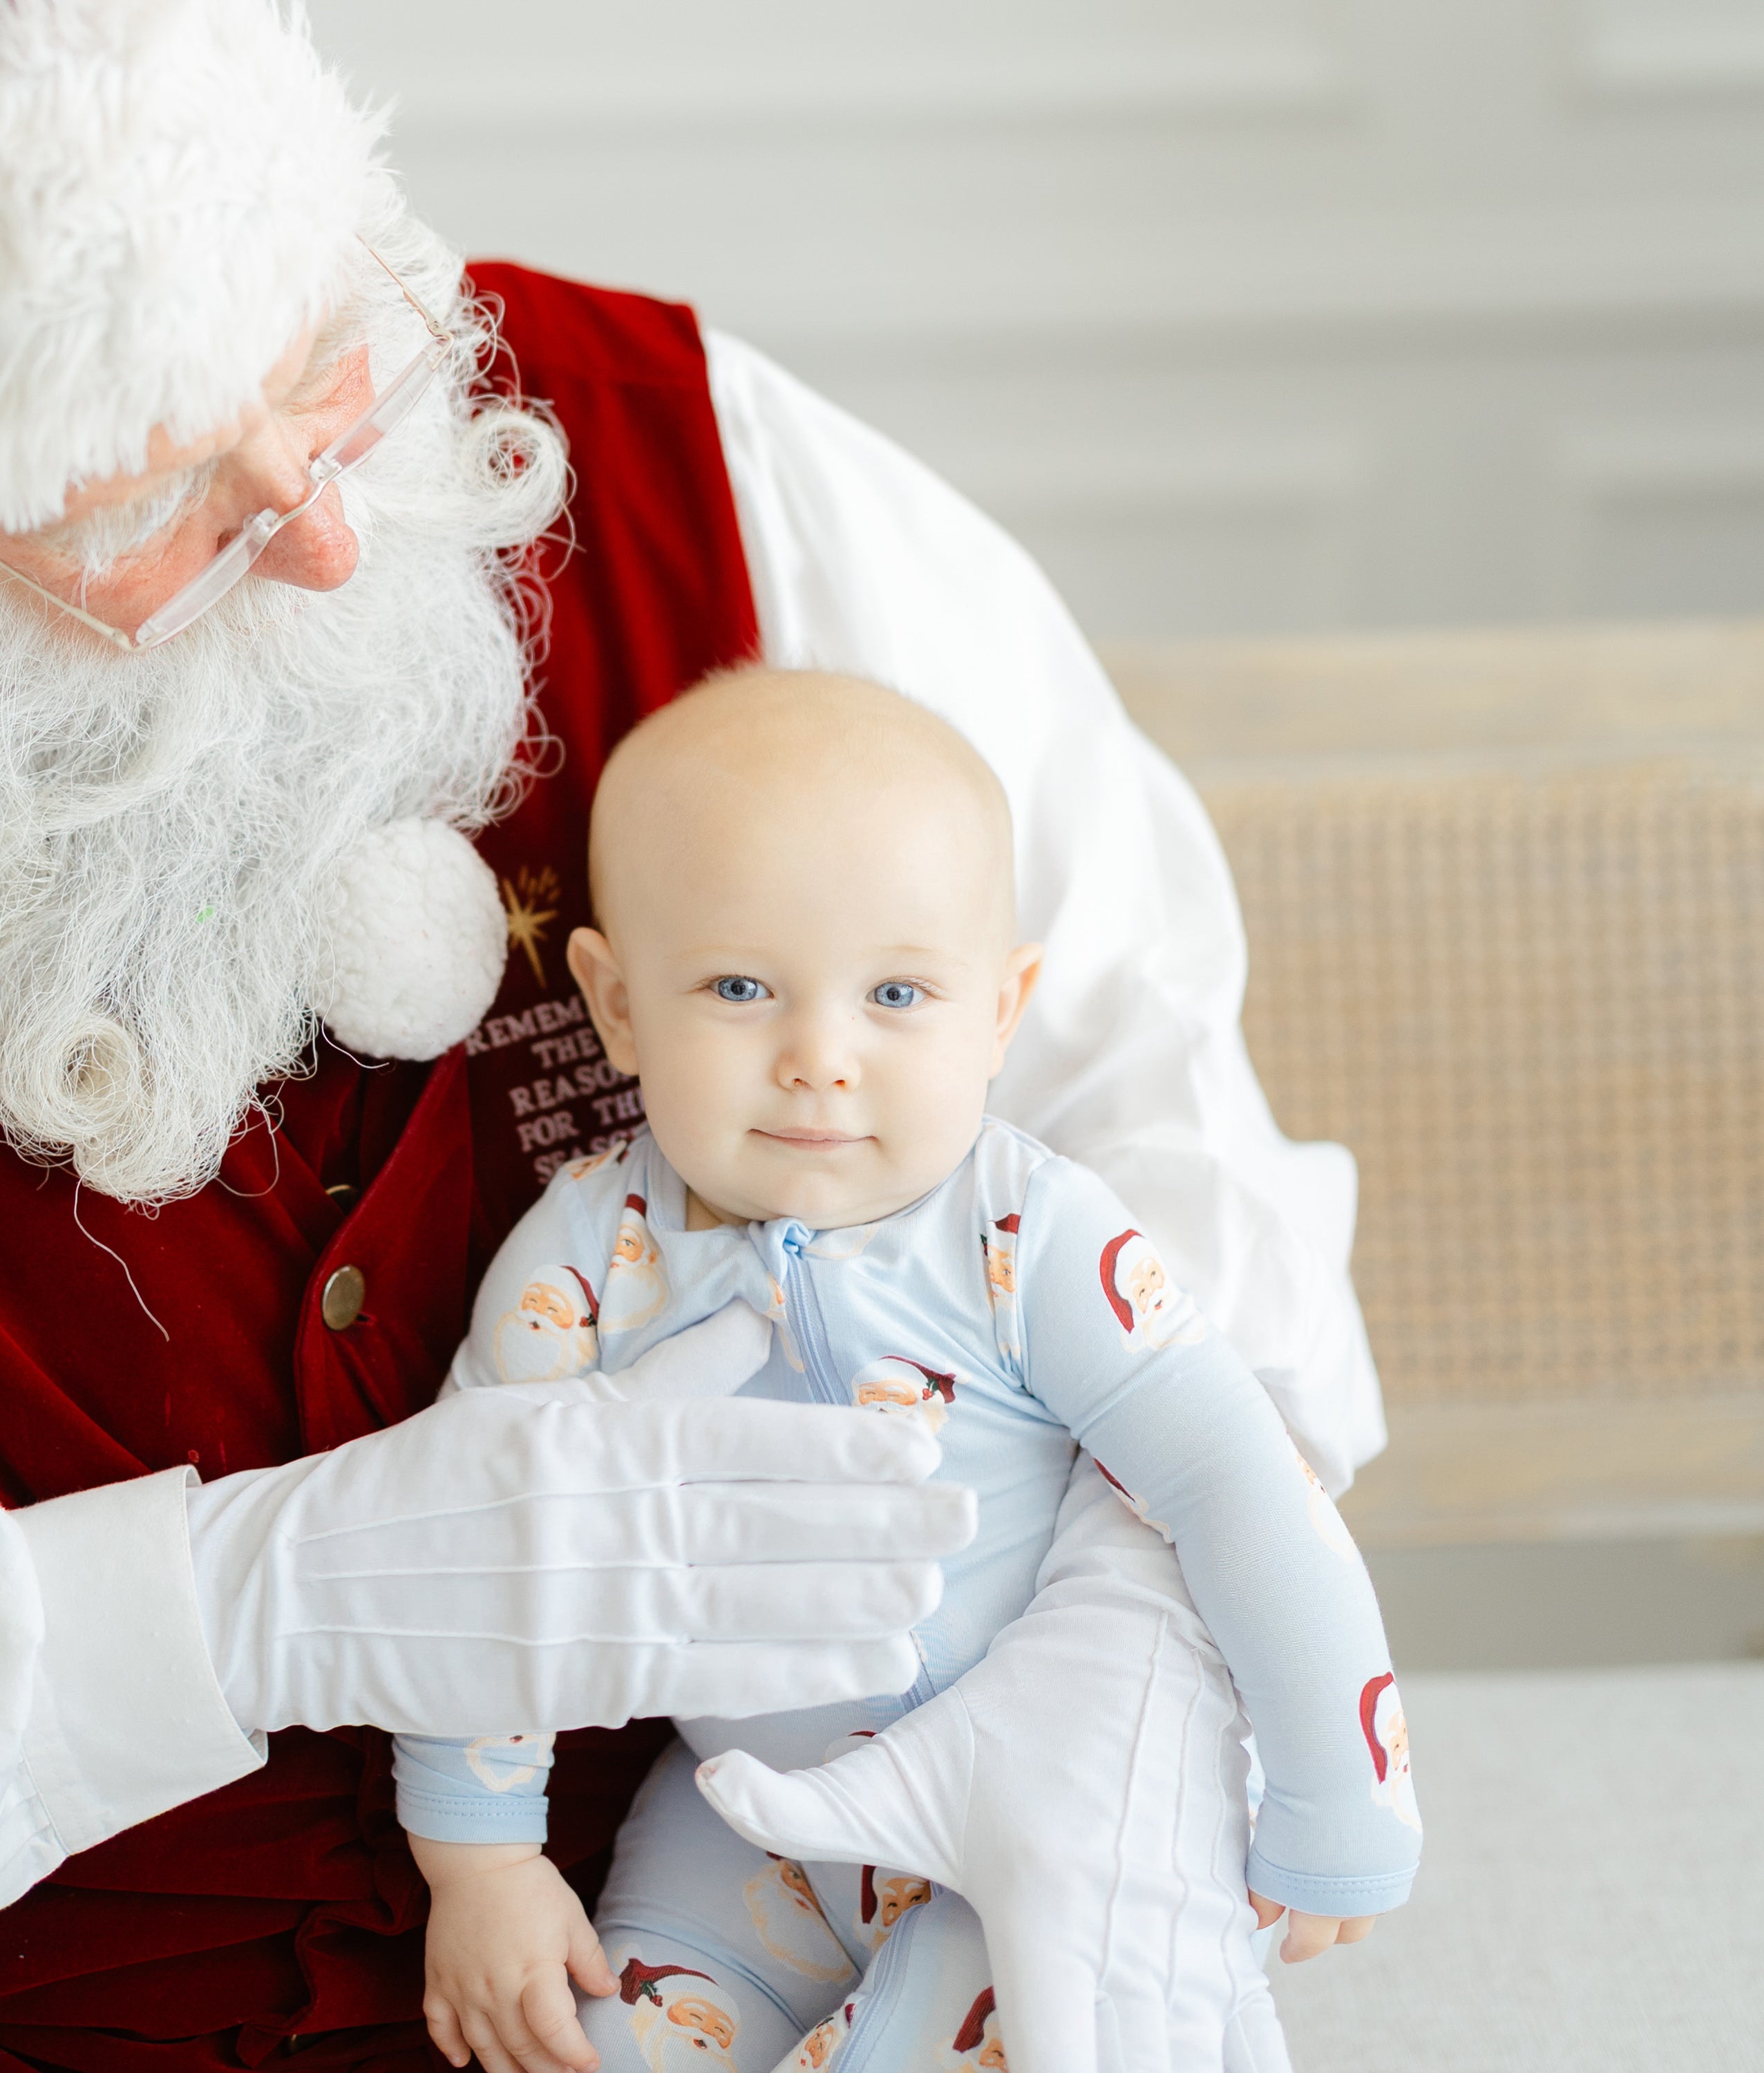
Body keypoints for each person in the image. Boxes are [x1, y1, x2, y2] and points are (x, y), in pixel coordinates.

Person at [0, 1, 1383, 2064]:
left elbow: (1129, 1034)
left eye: (326, 361)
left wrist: (1158, 1614)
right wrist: (248, 1601)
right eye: (144, 508)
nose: (322, 526)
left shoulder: (694, 453)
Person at [398, 672, 1419, 2073]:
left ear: (1000, 1012)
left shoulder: (1032, 1238)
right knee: (602, 2051)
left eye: (896, 993)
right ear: (618, 1005)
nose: (821, 1059)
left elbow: (1243, 1486)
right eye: (742, 988)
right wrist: (481, 1859)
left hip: (1034, 1832)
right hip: (740, 1824)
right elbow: (478, 1546)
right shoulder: (584, 1263)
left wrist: (1338, 1797)